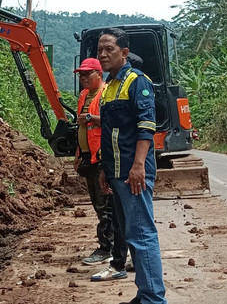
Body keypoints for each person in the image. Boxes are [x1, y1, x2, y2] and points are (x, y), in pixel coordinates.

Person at [97, 27, 166, 304]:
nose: (102, 54)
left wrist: (139, 166)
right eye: (100, 49)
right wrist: (105, 168)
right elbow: (111, 131)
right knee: (130, 234)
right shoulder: (109, 86)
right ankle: (145, 294)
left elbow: (146, 128)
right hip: (116, 172)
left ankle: (153, 299)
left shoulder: (138, 81)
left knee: (142, 235)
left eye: (108, 49)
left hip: (133, 173)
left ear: (124, 53)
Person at [73, 58, 129, 281]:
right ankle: (109, 246)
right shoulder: (84, 96)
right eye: (80, 74)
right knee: (99, 205)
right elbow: (81, 128)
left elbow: (107, 122)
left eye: (87, 74)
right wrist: (78, 153)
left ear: (99, 74)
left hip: (101, 156)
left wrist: (89, 118)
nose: (83, 78)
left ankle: (108, 248)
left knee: (105, 206)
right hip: (89, 156)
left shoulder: (105, 94)